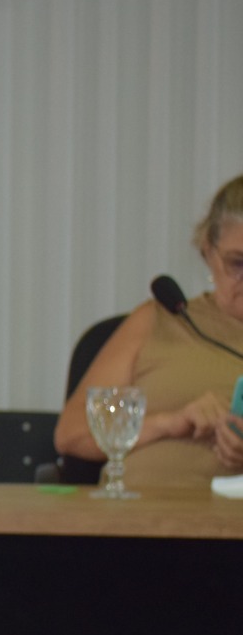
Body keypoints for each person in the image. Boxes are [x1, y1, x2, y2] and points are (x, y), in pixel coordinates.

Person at [56, 174, 243, 486]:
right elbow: (71, 434)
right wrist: (170, 423)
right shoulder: (161, 318)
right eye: (238, 264)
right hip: (131, 511)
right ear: (207, 252)